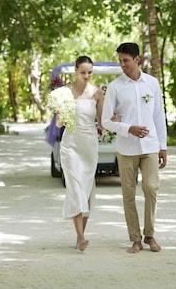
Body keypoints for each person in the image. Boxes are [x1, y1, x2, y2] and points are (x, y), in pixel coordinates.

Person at [101, 42, 168, 254]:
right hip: (126, 148)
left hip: (149, 146)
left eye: (126, 61)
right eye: (120, 61)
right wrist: (129, 128)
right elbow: (106, 121)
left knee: (151, 187)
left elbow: (158, 116)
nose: (122, 65)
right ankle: (135, 239)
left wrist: (163, 147)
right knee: (128, 194)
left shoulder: (152, 83)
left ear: (137, 59)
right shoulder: (115, 87)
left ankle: (150, 234)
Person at [48, 55, 105, 251]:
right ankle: (80, 237)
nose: (87, 76)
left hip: (89, 144)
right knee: (75, 187)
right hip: (70, 144)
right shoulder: (65, 93)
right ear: (75, 71)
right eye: (83, 72)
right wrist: (61, 109)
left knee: (87, 189)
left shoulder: (97, 93)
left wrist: (116, 117)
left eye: (90, 72)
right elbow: (58, 123)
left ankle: (80, 235)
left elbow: (102, 122)